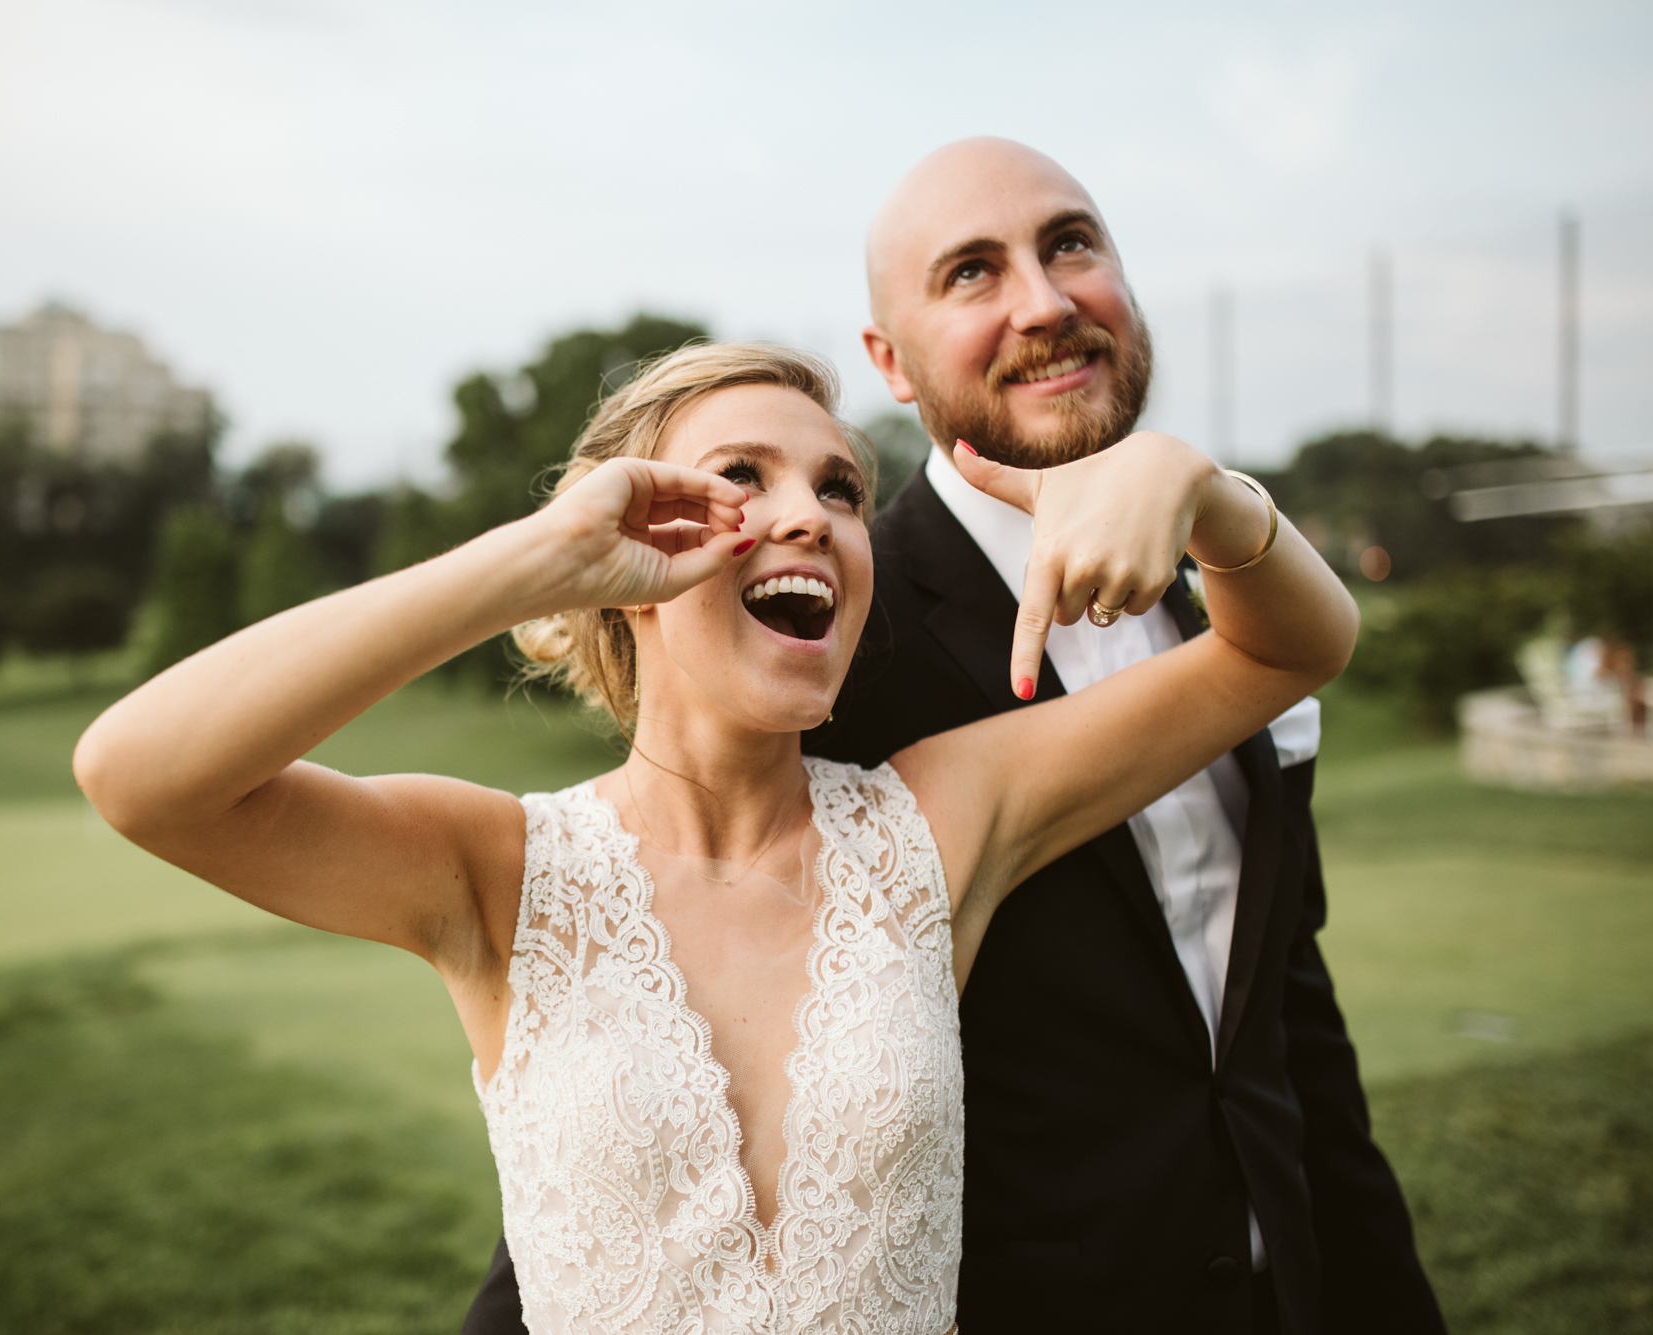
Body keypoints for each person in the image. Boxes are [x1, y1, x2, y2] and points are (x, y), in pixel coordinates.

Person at [76, 338, 1358, 1334]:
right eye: (739, 477)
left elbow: (1292, 644)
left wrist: (1200, 491)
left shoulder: (940, 824)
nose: (806, 514)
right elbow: (141, 777)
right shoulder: (499, 870)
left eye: (841, 490)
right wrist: (530, 561)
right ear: (624, 547)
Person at [467, 142, 1446, 1335]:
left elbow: (1281, 1028)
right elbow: (641, 1129)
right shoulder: (818, 642)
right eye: (971, 272)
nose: (1043, 301)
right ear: (889, 360)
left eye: (1070, 244)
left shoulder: (1225, 588)